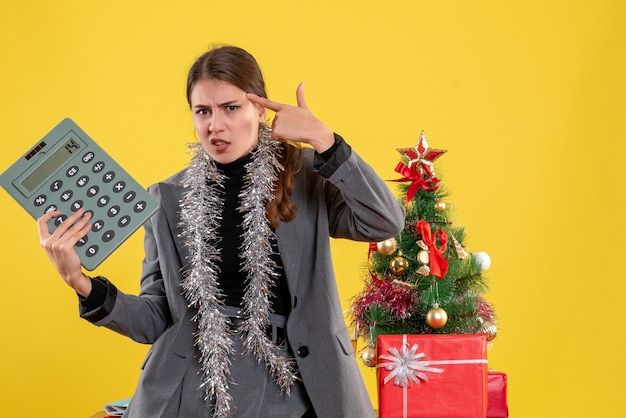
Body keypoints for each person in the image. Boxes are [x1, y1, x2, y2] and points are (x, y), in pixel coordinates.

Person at [38, 45, 404, 417]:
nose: (215, 125)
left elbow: (384, 221)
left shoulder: (306, 173)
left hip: (300, 380)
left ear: (260, 109)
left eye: (231, 107)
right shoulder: (167, 198)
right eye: (203, 111)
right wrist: (81, 283)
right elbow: (158, 318)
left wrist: (326, 142)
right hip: (194, 385)